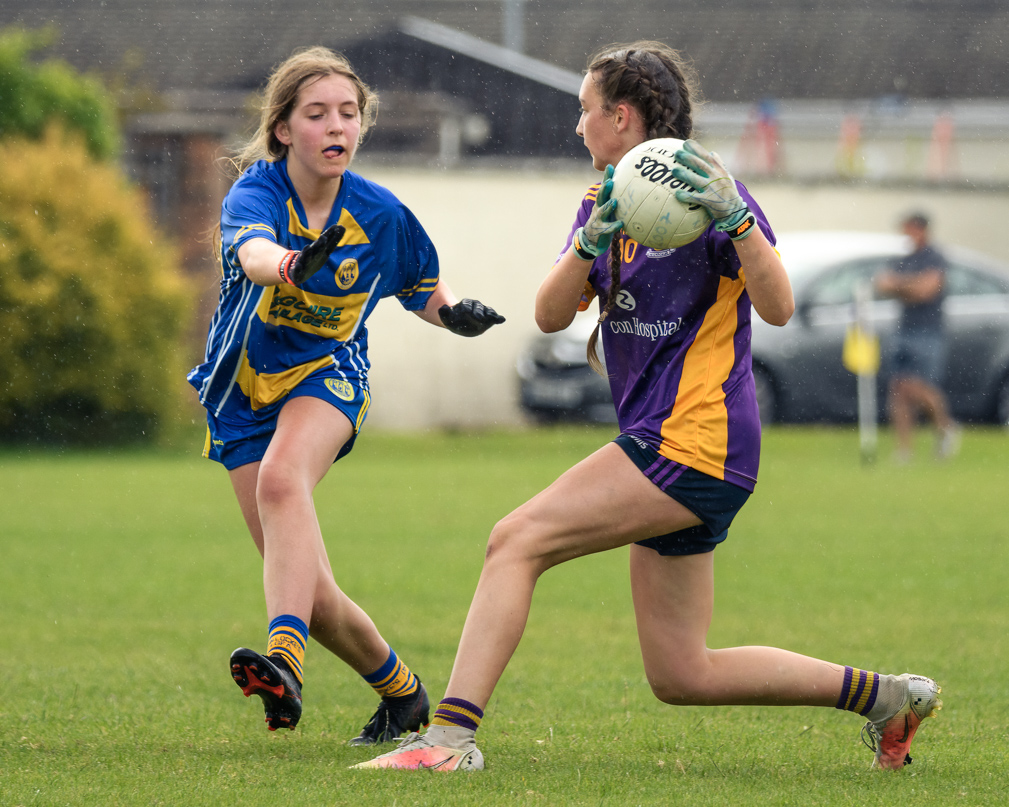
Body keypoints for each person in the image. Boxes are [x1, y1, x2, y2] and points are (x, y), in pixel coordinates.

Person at [355, 41, 940, 772]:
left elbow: (780, 306)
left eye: (584, 110)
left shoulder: (710, 188)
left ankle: (447, 740)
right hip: (680, 447)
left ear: (621, 116)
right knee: (680, 673)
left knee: (516, 539)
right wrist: (587, 242)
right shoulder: (603, 200)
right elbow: (546, 314)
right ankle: (887, 696)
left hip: (694, 440)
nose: (577, 126)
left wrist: (735, 220)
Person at [187, 46, 504, 744]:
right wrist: (293, 263)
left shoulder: (381, 214)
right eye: (317, 113)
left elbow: (420, 288)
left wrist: (454, 314)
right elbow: (254, 255)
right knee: (310, 590)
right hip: (240, 393)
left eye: (349, 113)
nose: (337, 125)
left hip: (328, 376)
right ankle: (403, 694)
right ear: (282, 130)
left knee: (282, 480)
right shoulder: (256, 194)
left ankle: (284, 663)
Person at [875, 213, 960, 462]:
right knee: (898, 388)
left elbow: (927, 290)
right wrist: (910, 285)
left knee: (920, 386)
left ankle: (945, 427)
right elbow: (883, 284)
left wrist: (901, 286)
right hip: (905, 329)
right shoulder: (904, 259)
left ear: (921, 229)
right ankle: (904, 450)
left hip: (928, 331)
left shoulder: (935, 257)